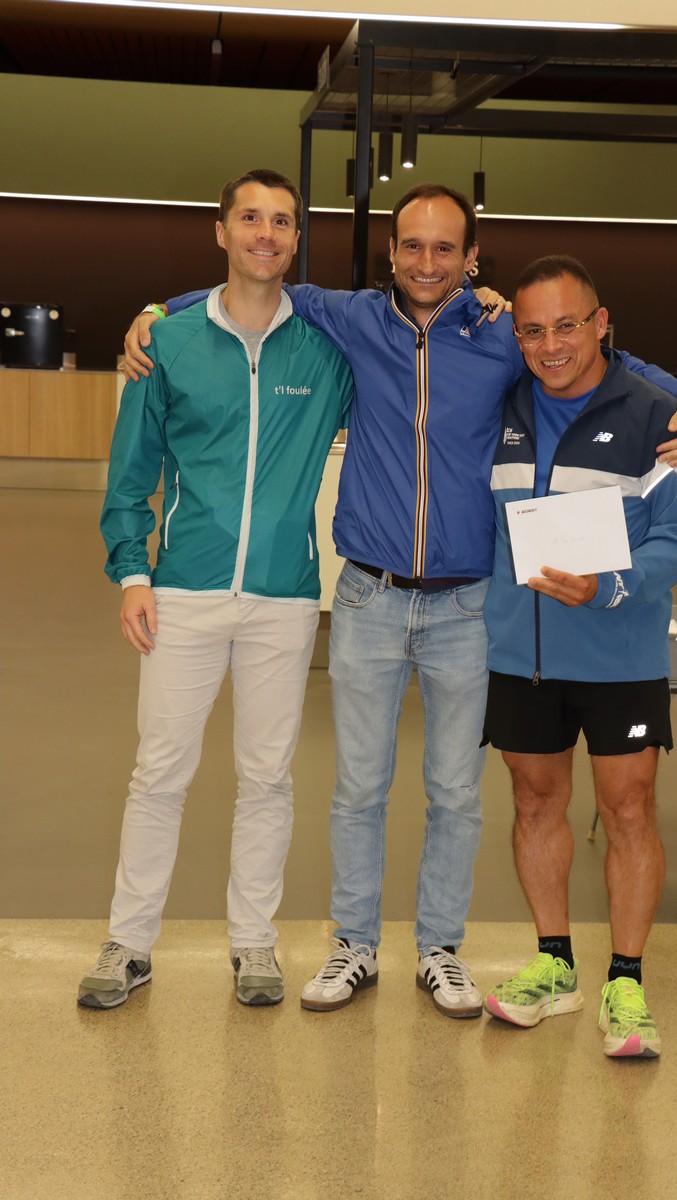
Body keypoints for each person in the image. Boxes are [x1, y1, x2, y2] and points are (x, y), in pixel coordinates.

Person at [122, 185, 677, 1020]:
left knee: (456, 794)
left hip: (468, 604)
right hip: (368, 596)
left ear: (471, 258)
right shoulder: (351, 318)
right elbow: (253, 285)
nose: (427, 263)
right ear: (390, 254)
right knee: (358, 788)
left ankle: (440, 949)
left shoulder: (504, 333)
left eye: (445, 248)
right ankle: (354, 945)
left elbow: (593, 357)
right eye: (412, 247)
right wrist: (154, 312)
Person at [77, 169, 353, 1010]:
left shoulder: (328, 349)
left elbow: (417, 339)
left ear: (297, 240)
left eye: (283, 222)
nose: (266, 234)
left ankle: (255, 943)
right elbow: (131, 471)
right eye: (251, 218)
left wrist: (483, 299)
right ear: (222, 230)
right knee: (159, 772)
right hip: (183, 592)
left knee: (267, 776)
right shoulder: (167, 342)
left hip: (284, 596)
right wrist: (133, 572)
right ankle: (129, 943)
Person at [481, 255, 677, 1057]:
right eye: (533, 331)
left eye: (567, 326)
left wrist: (612, 586)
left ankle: (627, 982)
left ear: (602, 323)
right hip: (522, 652)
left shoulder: (658, 416)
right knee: (535, 805)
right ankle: (554, 966)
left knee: (629, 811)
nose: (551, 345)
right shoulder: (500, 403)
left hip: (621, 653)